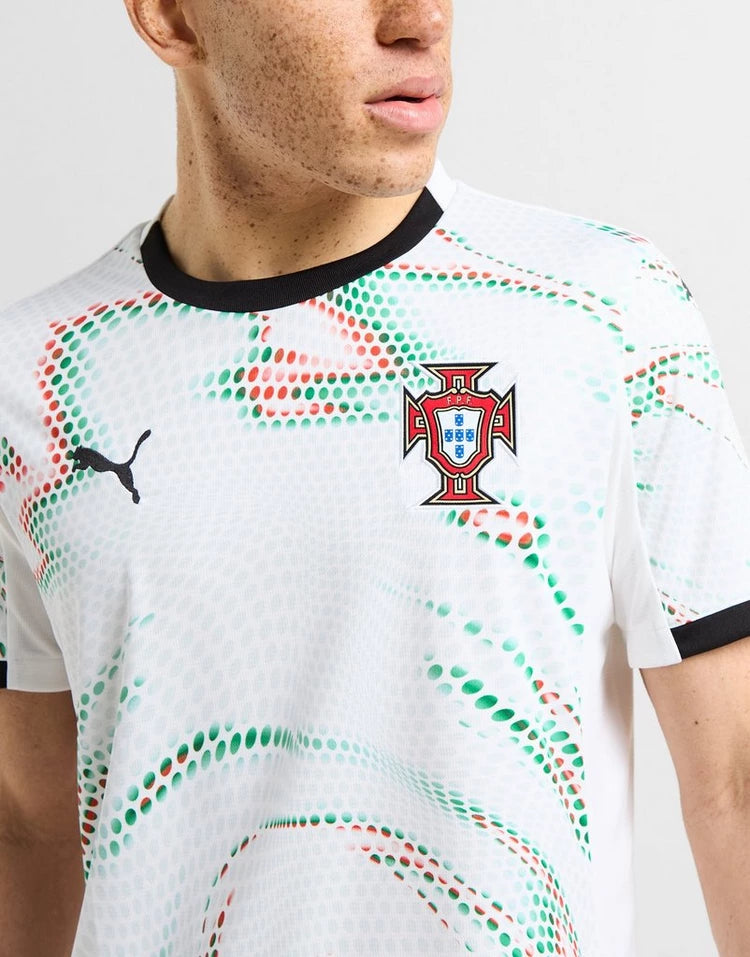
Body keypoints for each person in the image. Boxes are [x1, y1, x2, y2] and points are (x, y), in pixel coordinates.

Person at [1, 1, 749, 955]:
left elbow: (735, 773)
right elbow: (25, 822)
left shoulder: (602, 310)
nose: (419, 18)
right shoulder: (31, 379)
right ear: (172, 18)